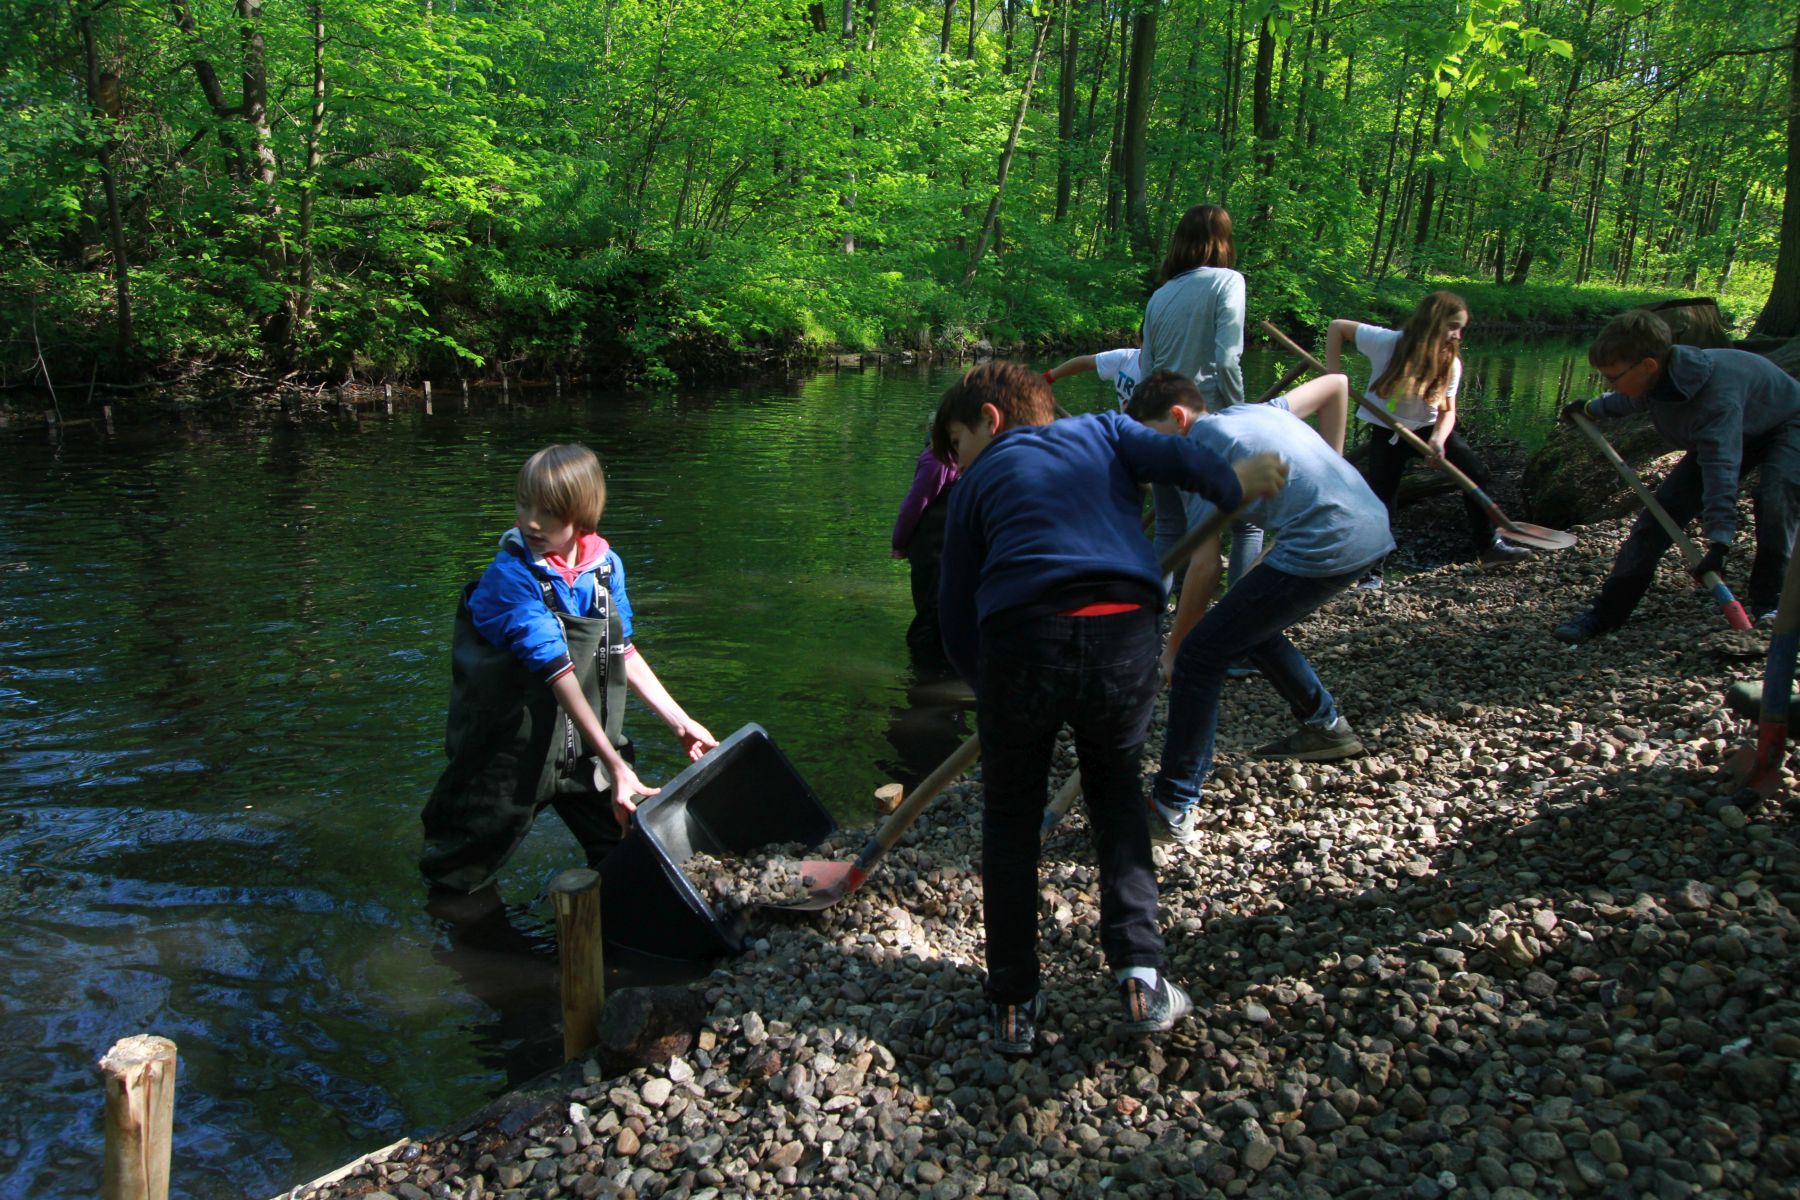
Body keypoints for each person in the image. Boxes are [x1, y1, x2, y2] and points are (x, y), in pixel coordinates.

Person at [934, 361, 1288, 1056]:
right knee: (1117, 799)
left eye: (955, 443)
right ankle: (1139, 977)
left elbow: (954, 609)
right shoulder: (1104, 429)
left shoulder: (977, 483)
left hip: (1021, 639)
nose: (955, 463)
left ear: (990, 419)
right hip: (1124, 631)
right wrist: (1230, 485)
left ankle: (1012, 1001)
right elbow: (1179, 456)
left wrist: (989, 689)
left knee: (1010, 820)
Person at [420, 444, 718, 893]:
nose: (531, 521)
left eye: (549, 511)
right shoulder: (512, 578)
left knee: (628, 849)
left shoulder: (606, 568)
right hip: (508, 757)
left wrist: (679, 722)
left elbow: (622, 651)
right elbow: (557, 671)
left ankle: (619, 946)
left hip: (587, 751)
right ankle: (469, 953)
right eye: (524, 504)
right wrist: (617, 764)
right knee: (458, 877)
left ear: (582, 515)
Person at [1125, 370, 1390, 846]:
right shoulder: (1253, 411)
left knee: (1202, 655)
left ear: (1179, 418)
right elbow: (1336, 384)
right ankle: (1325, 727)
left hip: (1328, 542)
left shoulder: (1196, 452)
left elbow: (1204, 567)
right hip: (1370, 522)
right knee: (1244, 622)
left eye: (1150, 438)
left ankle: (1172, 806)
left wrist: (1174, 650)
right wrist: (1333, 465)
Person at [1553, 309, 1800, 643]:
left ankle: (1770, 605)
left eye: (1612, 377)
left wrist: (1720, 541)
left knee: (1775, 498)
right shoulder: (1656, 378)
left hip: (1788, 422)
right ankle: (1606, 613)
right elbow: (1627, 401)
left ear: (1648, 365)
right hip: (1740, 421)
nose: (1608, 384)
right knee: (1656, 519)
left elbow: (1721, 469)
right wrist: (1589, 409)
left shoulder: (1713, 402)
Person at [1326, 290, 1531, 589]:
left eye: (1461, 327)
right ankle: (1371, 571)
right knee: (1382, 498)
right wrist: (1333, 378)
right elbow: (1337, 327)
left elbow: (1449, 411)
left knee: (1476, 474)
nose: (1458, 334)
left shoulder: (1451, 362)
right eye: (1453, 326)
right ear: (1433, 322)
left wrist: (1437, 440)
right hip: (1388, 431)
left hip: (1428, 429)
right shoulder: (1387, 342)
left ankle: (1489, 547)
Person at [1137, 203, 1262, 588]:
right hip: (1209, 423)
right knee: (1247, 522)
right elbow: (1227, 360)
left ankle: (1149, 623)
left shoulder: (1160, 295)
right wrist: (1241, 413)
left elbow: (1146, 372)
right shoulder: (1228, 281)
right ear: (1222, 241)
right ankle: (1239, 621)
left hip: (1160, 423)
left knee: (1171, 530)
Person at [890, 437, 960, 664]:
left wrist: (900, 542)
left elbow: (914, 504)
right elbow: (915, 503)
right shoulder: (942, 458)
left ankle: (930, 673)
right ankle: (926, 675)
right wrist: (900, 542)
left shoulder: (944, 458)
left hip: (946, 550)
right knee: (934, 614)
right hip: (938, 551)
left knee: (939, 616)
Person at [1043, 346, 1142, 410]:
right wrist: (1046, 378)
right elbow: (1086, 363)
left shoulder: (1156, 373)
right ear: (1138, 339)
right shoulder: (1126, 357)